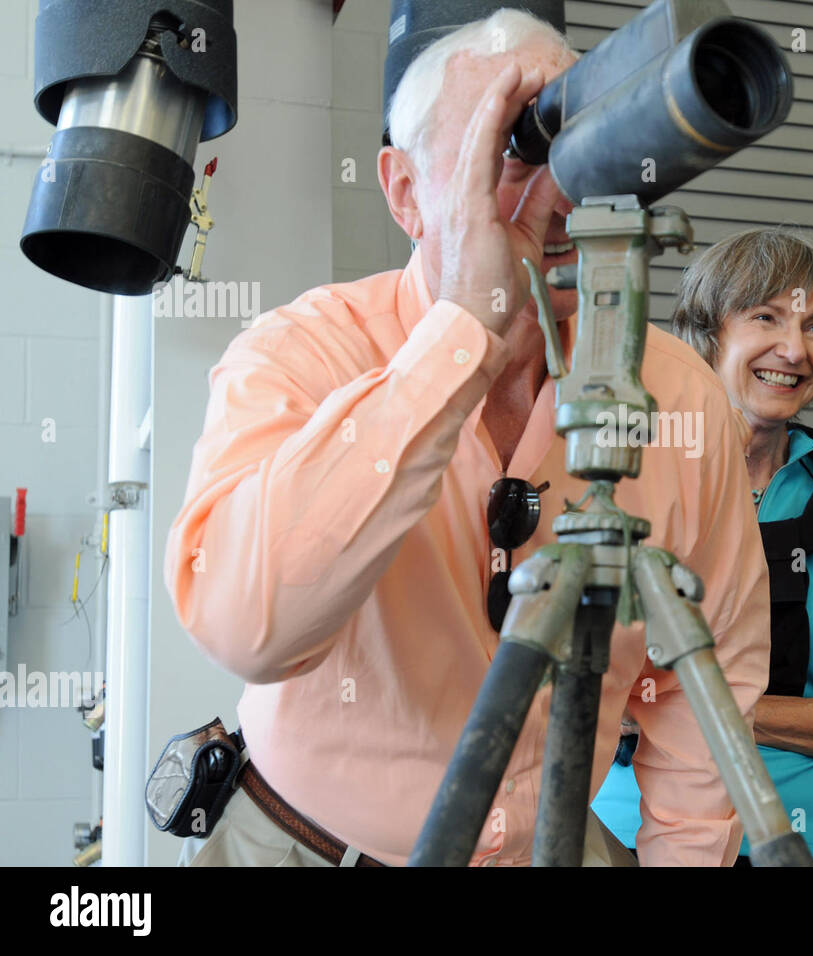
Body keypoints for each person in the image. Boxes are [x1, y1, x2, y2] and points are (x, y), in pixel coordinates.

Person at [162, 9, 770, 867]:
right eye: (516, 150)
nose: (558, 196)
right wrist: (459, 340)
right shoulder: (300, 353)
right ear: (406, 192)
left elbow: (704, 703)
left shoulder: (681, 398)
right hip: (308, 845)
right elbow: (249, 628)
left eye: (577, 143)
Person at [592, 228, 813, 864]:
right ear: (706, 334)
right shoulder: (622, 490)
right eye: (766, 317)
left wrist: (694, 705)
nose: (795, 349)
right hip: (634, 837)